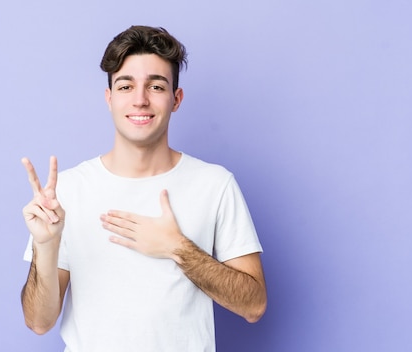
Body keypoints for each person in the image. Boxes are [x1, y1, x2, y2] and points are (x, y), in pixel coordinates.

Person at [20, 25, 267, 351]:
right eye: (125, 86)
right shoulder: (67, 191)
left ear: (176, 99)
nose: (140, 100)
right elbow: (39, 322)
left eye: (156, 85)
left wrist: (177, 248)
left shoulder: (215, 185)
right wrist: (46, 247)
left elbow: (253, 305)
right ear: (109, 98)